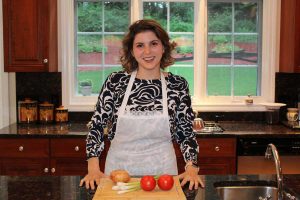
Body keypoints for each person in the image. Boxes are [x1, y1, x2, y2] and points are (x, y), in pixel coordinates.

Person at [80, 19, 204, 191]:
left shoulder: (177, 85)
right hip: (118, 174)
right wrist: (93, 169)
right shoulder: (115, 82)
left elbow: (186, 132)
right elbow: (97, 126)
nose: (147, 51)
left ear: (163, 47)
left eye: (153, 43)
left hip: (163, 176)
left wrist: (191, 168)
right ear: (132, 50)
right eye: (140, 45)